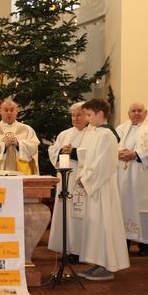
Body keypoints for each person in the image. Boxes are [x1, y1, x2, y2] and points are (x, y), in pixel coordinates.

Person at [76, 97, 129, 281]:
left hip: (102, 187)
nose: (87, 119)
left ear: (100, 114)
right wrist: (83, 175)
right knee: (96, 226)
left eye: (89, 115)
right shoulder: (97, 133)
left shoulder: (107, 134)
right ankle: (97, 262)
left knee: (104, 225)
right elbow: (91, 158)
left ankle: (107, 265)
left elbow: (104, 164)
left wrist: (87, 178)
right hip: (95, 187)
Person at [116, 102, 148, 257]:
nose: (136, 113)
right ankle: (125, 243)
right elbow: (112, 145)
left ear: (145, 112)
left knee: (144, 208)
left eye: (139, 111)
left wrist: (135, 154)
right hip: (123, 175)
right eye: (133, 111)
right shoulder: (120, 129)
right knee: (123, 207)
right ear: (128, 113)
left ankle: (145, 244)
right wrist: (118, 153)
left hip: (143, 174)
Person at [47, 102, 88, 263]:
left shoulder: (93, 133)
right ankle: (67, 248)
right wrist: (61, 151)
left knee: (79, 214)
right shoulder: (64, 134)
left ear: (86, 116)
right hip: (66, 179)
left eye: (79, 115)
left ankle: (82, 250)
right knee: (66, 214)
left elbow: (93, 154)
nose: (75, 118)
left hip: (81, 180)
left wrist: (74, 152)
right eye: (73, 115)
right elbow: (53, 150)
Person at [0, 98, 39, 174]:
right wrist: (4, 145)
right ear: (0, 112)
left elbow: (34, 147)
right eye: (6, 110)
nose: (9, 113)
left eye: (12, 110)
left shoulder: (27, 129)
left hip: (22, 172)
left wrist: (18, 144)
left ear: (17, 112)